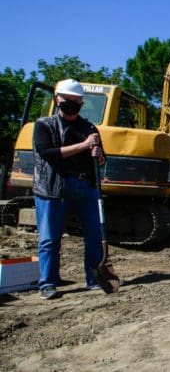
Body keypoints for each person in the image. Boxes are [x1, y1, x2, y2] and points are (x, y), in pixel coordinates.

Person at [32, 79, 106, 299]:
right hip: (53, 188)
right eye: (67, 101)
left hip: (85, 186)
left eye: (76, 101)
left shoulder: (89, 128)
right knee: (49, 238)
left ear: (82, 103)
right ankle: (48, 283)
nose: (72, 105)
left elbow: (101, 159)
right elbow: (48, 153)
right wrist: (84, 146)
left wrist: (99, 156)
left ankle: (94, 278)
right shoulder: (44, 125)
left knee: (94, 234)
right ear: (58, 100)